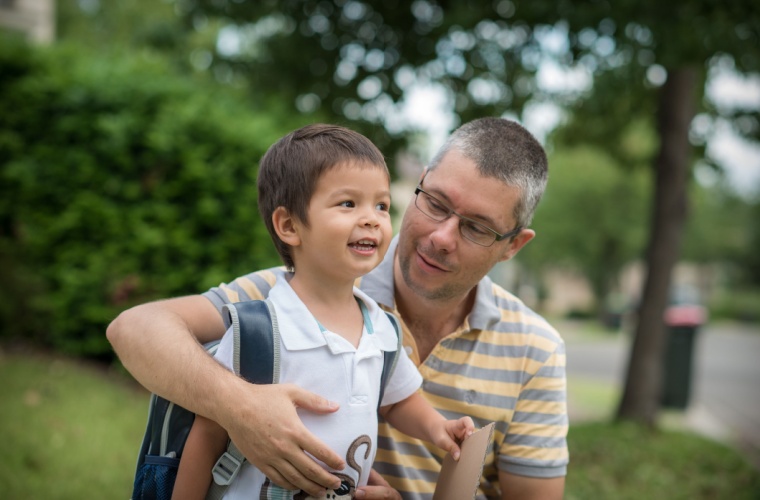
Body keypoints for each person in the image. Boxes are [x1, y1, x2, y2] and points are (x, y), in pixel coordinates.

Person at [108, 117, 569, 499]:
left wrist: (439, 432)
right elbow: (134, 328)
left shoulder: (536, 351)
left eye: (476, 228)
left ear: (513, 246)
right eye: (434, 203)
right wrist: (240, 407)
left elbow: (407, 401)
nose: (441, 237)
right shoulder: (282, 296)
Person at [169, 124, 474, 499]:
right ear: (289, 225)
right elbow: (208, 433)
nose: (372, 218)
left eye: (381, 205)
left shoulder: (383, 329)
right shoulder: (259, 331)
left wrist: (437, 429)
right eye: (348, 203)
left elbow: (398, 400)